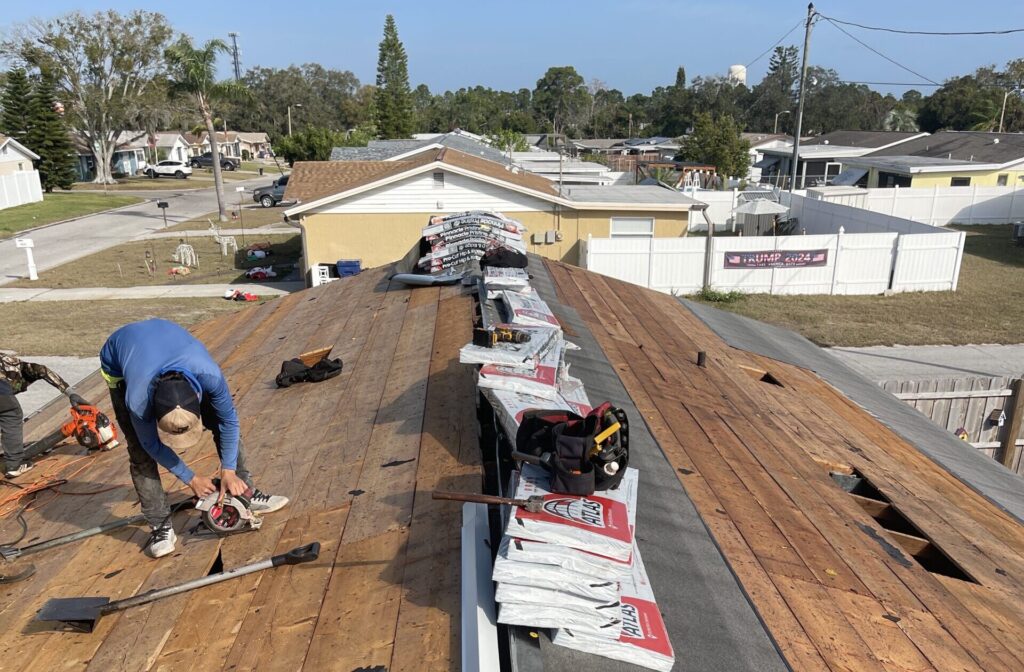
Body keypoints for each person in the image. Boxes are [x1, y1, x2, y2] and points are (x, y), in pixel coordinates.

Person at [100, 319, 288, 558]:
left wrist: (228, 470)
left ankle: (245, 492)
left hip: (168, 342)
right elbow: (151, 444)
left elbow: (229, 422)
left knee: (221, 422)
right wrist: (190, 478)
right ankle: (159, 524)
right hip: (118, 357)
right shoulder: (137, 400)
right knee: (139, 451)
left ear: (198, 396)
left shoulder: (209, 375)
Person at [0, 354, 85, 478]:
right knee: (11, 414)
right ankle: (14, 465)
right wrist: (71, 393)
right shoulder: (21, 367)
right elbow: (42, 370)